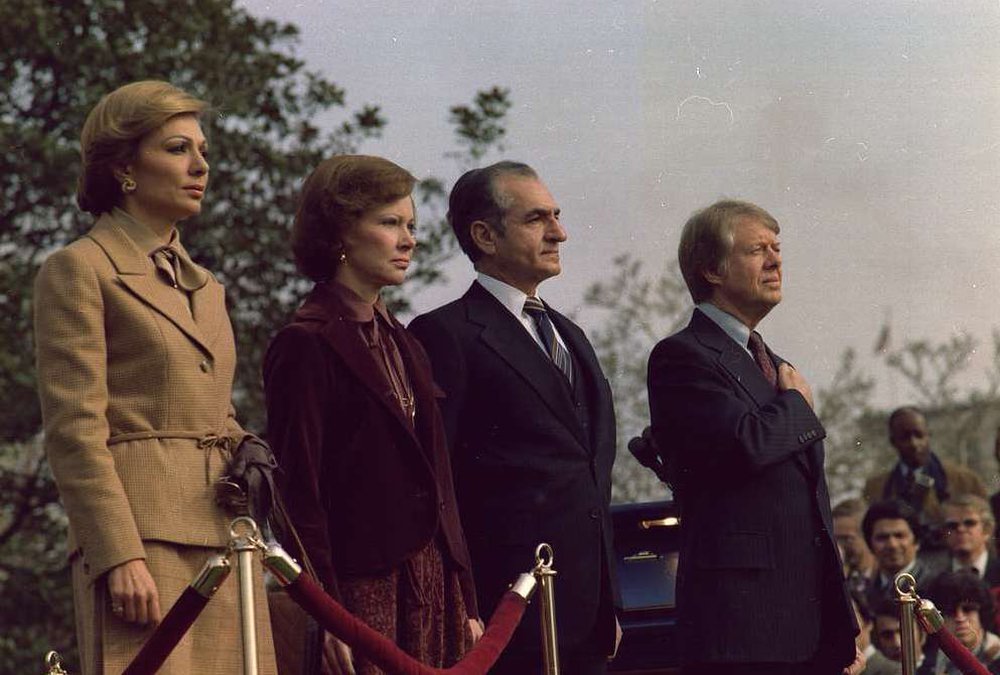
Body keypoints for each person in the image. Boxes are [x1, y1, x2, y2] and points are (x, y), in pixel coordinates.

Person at [33, 81, 276, 673]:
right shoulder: (79, 269)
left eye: (203, 150)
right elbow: (75, 431)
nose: (201, 166)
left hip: (228, 536)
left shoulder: (207, 285)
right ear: (123, 168)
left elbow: (208, 409)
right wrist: (117, 554)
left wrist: (247, 444)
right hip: (144, 542)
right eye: (177, 148)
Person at [263, 155, 481, 675]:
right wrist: (324, 613)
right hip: (362, 589)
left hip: (435, 582)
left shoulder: (405, 342)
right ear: (340, 232)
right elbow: (298, 496)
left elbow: (441, 482)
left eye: (411, 225)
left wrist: (467, 597)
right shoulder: (305, 342)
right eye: (389, 223)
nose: (408, 239)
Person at [408, 161, 621, 674]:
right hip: (505, 613)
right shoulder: (445, 334)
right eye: (536, 219)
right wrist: (459, 606)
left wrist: (608, 603)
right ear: (484, 235)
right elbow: (437, 486)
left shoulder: (571, 335)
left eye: (557, 216)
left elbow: (590, 474)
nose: (559, 232)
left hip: (588, 618)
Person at [645, 199, 861, 674]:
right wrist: (796, 405)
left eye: (777, 248)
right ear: (712, 270)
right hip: (741, 628)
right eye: (757, 249)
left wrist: (840, 614)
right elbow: (742, 447)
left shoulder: (771, 362)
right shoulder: (682, 356)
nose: (775, 260)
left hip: (806, 626)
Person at [863, 406, 986, 548]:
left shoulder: (965, 480)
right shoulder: (876, 488)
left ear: (929, 435)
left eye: (919, 435)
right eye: (905, 437)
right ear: (893, 441)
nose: (914, 443)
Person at [862, 500, 944, 604]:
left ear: (917, 541)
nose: (892, 545)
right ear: (870, 544)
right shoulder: (862, 591)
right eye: (882, 538)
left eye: (899, 536)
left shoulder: (938, 587)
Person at [924, 571, 1000, 674]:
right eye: (951, 611)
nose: (960, 618)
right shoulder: (929, 660)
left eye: (968, 609)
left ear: (982, 613)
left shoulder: (997, 655)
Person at [941, 495, 1000, 586]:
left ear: (987, 530)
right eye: (952, 525)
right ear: (944, 533)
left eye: (969, 523)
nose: (960, 529)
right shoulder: (934, 580)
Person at [836, 498, 879, 595]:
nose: (839, 546)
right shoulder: (843, 580)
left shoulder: (887, 579)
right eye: (835, 539)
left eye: (846, 538)